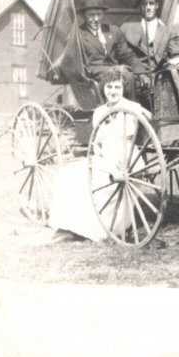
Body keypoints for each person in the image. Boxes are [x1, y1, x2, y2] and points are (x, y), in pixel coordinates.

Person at [49, 67, 150, 242]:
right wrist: (99, 154)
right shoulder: (99, 112)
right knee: (67, 174)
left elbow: (149, 119)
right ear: (103, 89)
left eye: (117, 87)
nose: (113, 92)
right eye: (109, 87)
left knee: (101, 179)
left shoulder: (132, 107)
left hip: (125, 156)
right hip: (104, 156)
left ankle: (96, 226)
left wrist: (141, 114)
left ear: (123, 88)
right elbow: (97, 141)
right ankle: (70, 225)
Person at [76, 0, 138, 99]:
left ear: (103, 14)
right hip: (94, 80)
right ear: (83, 16)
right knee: (126, 76)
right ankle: (130, 109)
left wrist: (141, 71)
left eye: (98, 14)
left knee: (138, 78)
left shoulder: (113, 31)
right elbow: (79, 66)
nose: (96, 19)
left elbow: (127, 55)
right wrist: (114, 70)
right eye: (91, 15)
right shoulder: (78, 35)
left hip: (119, 74)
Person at [120, 0, 179, 74]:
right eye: (144, 4)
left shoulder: (168, 32)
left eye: (151, 3)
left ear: (157, 6)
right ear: (140, 7)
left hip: (161, 75)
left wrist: (178, 60)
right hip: (136, 75)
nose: (148, 7)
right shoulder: (127, 28)